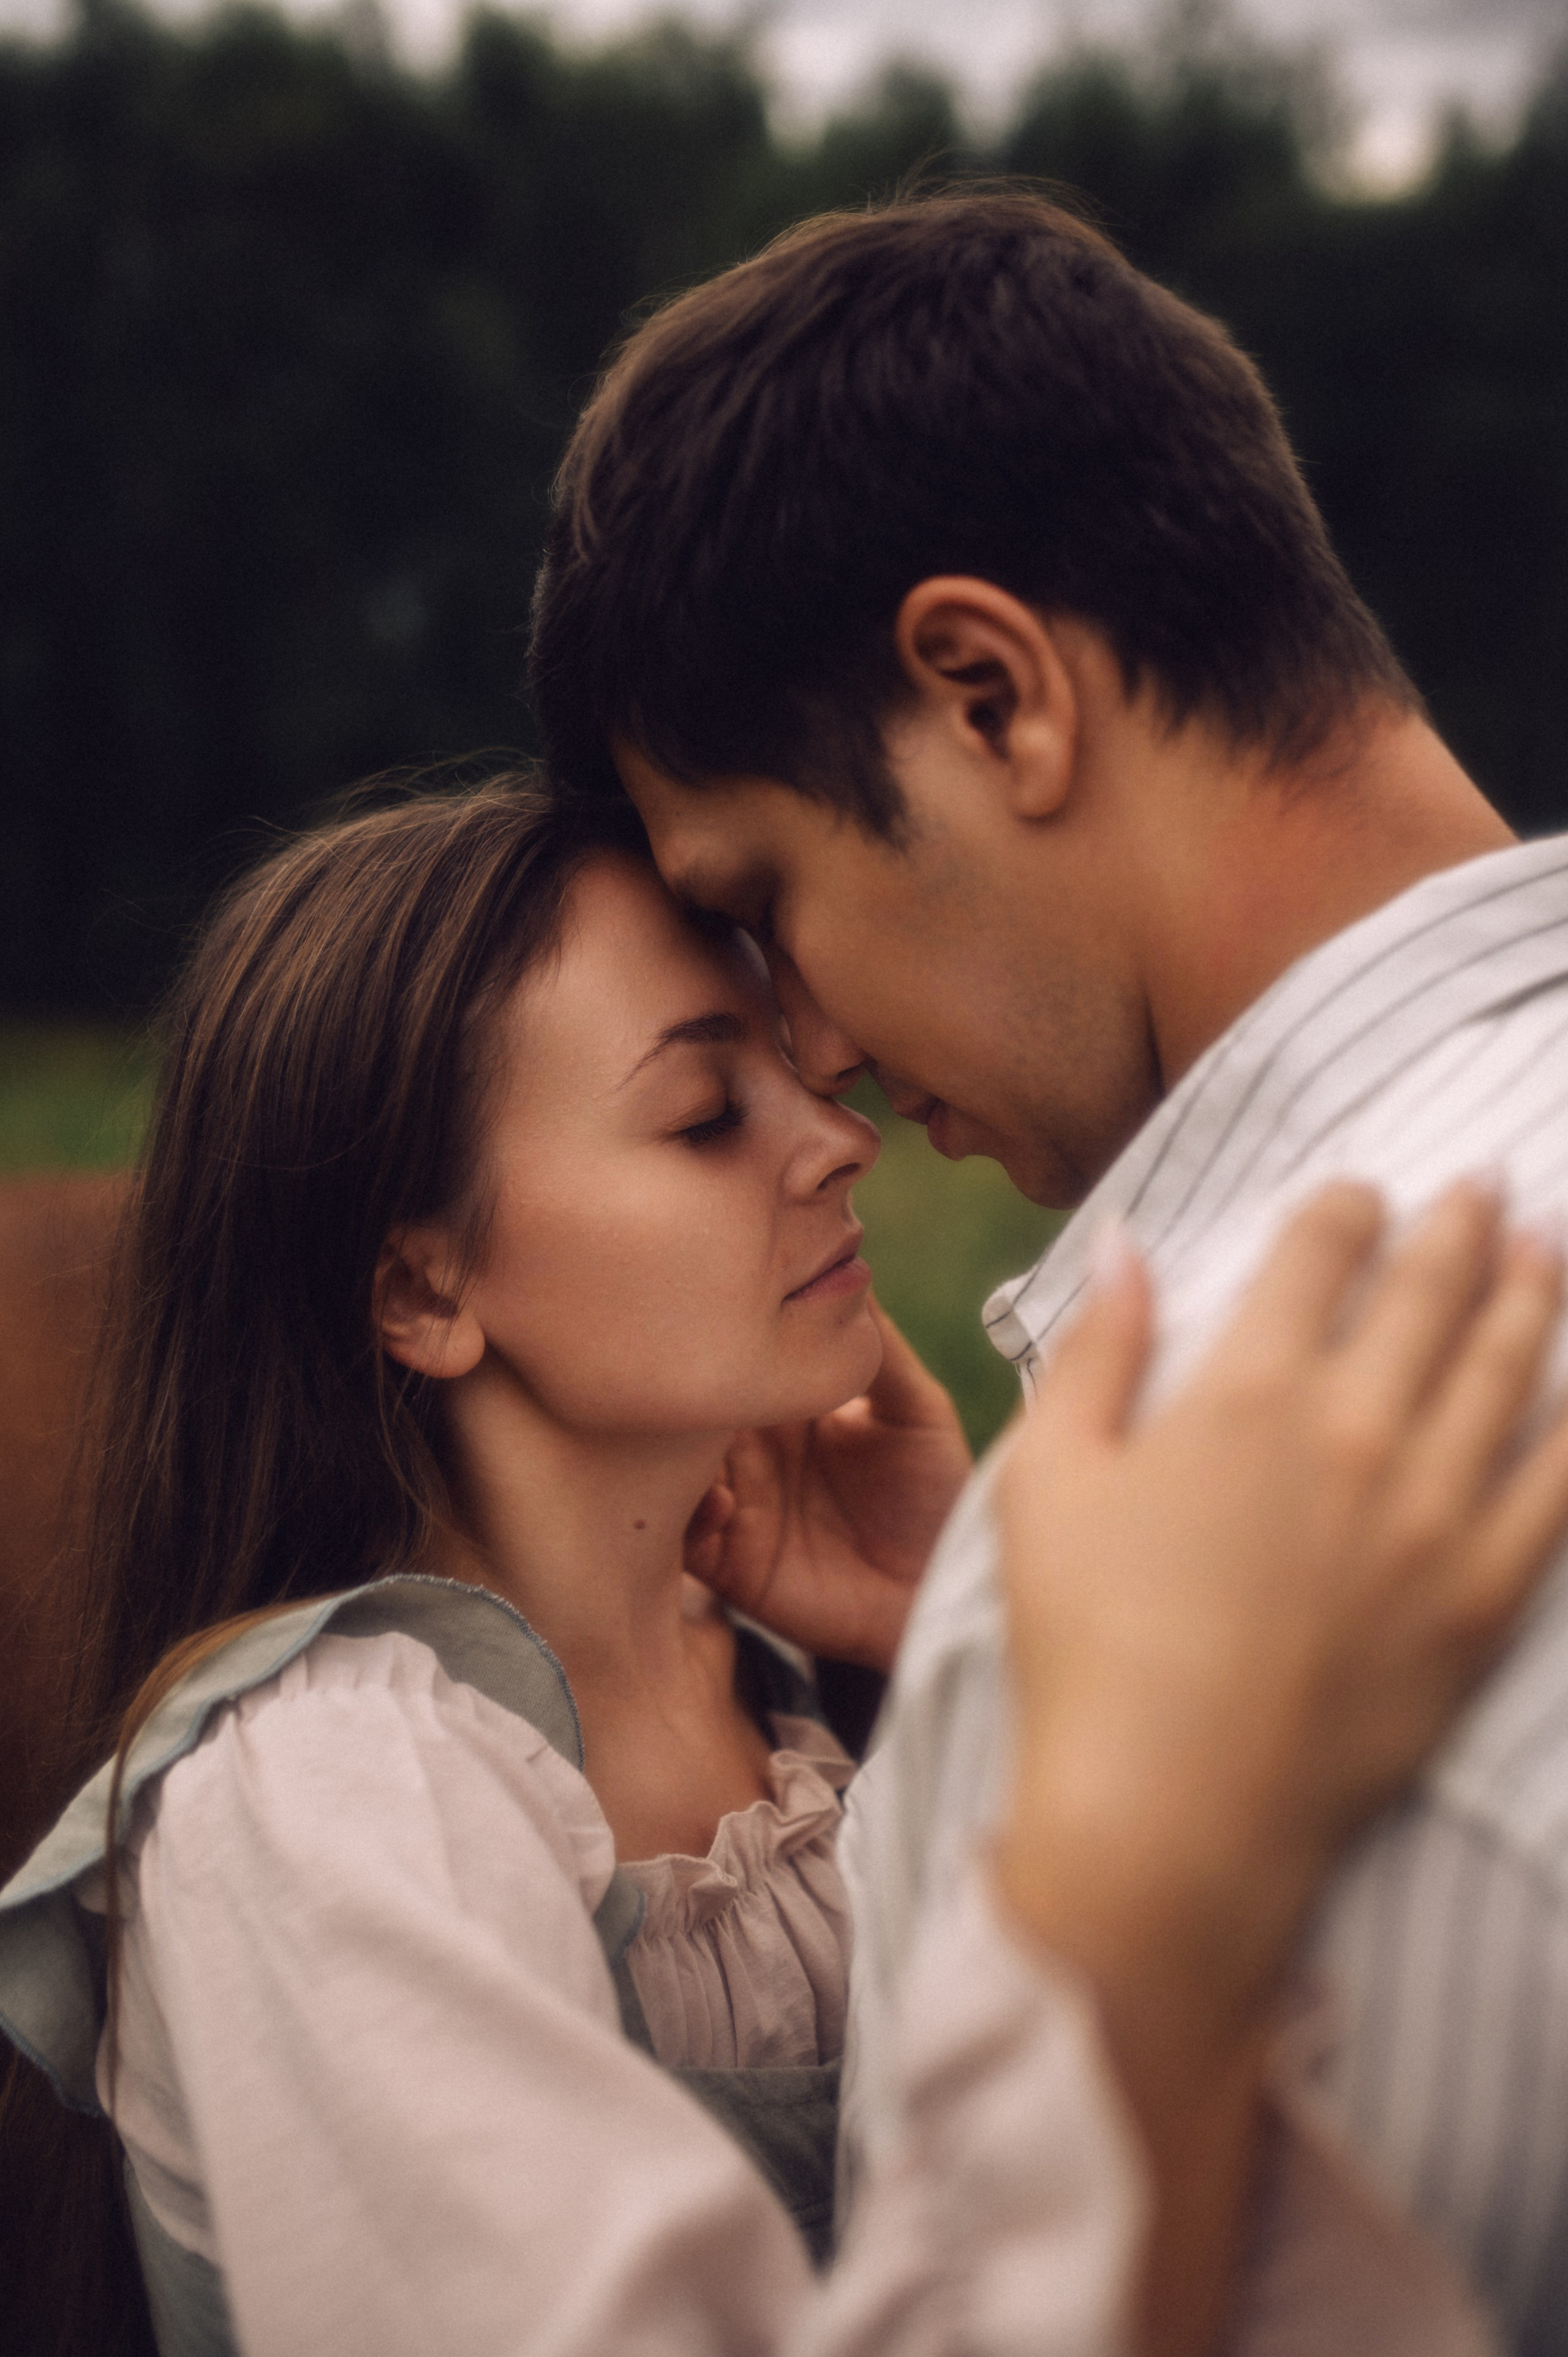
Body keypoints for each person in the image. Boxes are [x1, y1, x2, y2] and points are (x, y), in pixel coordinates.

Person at [4, 781, 1567, 2357]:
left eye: (786, 1069)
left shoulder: (792, 1688)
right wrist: (1129, 1915)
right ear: (421, 1289)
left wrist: (957, 1634)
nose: (838, 1135)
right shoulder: (323, 1794)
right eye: (703, 1115)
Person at [529, 188, 1568, 2350]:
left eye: (770, 897)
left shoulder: (1150, 1535)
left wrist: (1041, 1783)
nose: (806, 1050)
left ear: (990, 694)